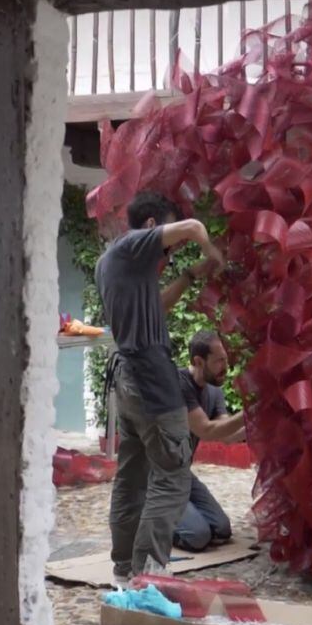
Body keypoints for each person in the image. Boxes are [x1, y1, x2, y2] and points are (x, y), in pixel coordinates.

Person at [96, 191, 224, 584]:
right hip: (151, 381)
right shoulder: (134, 245)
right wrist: (214, 252)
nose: (167, 259)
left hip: (127, 380)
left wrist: (191, 275)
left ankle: (124, 570)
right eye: (168, 251)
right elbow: (194, 227)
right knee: (172, 476)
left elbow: (158, 305)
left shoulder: (114, 264)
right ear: (153, 227)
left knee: (132, 476)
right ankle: (148, 574)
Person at [173, 330, 246, 552]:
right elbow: (205, 430)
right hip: (156, 476)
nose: (226, 366)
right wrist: (251, 412)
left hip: (182, 473)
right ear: (198, 361)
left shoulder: (214, 389)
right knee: (198, 536)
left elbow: (224, 434)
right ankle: (145, 517)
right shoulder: (177, 383)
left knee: (222, 529)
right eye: (219, 361)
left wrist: (261, 425)